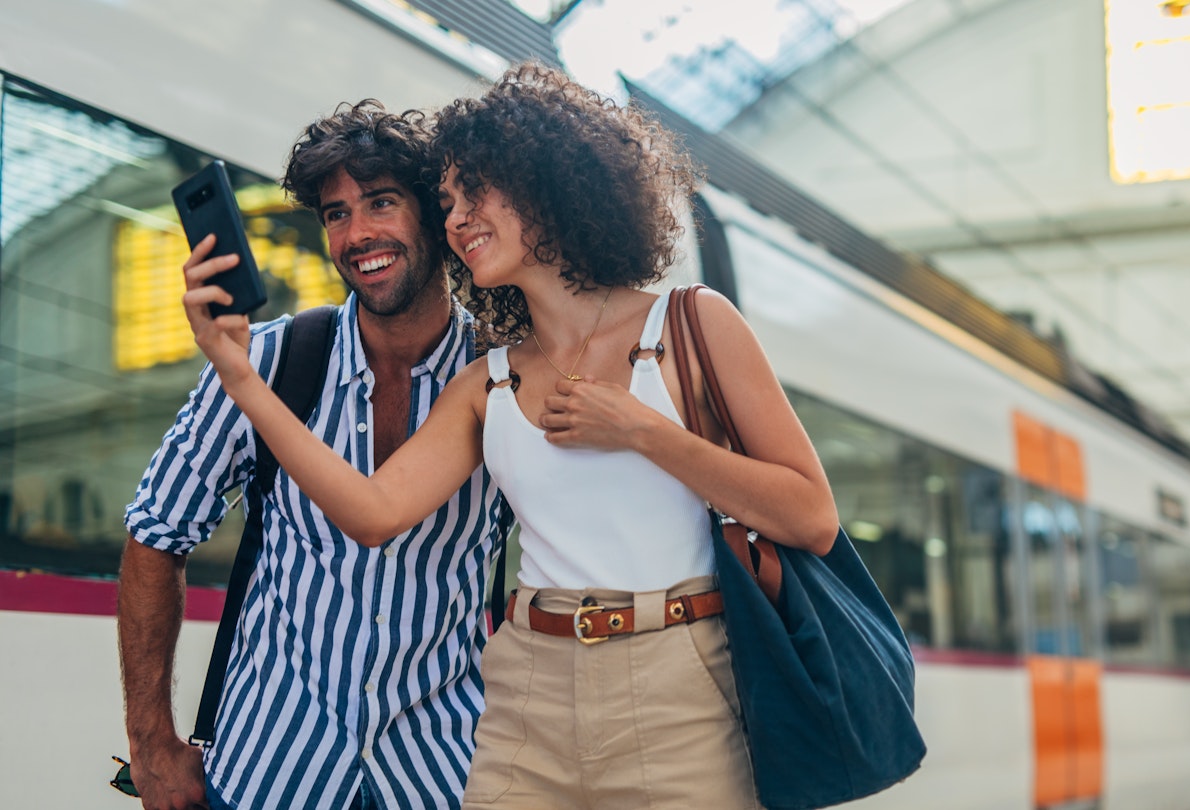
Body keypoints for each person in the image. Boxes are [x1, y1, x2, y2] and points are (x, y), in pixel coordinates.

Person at [182, 63, 839, 808]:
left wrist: (643, 431)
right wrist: (239, 377)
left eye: (477, 192)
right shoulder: (487, 382)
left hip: (678, 679)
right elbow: (371, 514)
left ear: (547, 185)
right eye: (449, 201)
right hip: (529, 691)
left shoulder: (693, 324)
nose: (457, 219)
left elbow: (811, 517)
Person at [118, 101, 509, 810]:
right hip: (271, 768)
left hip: (442, 774)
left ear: (435, 214)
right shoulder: (265, 360)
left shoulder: (507, 379)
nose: (358, 233)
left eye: (381, 202)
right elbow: (156, 531)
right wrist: (150, 746)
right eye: (336, 213)